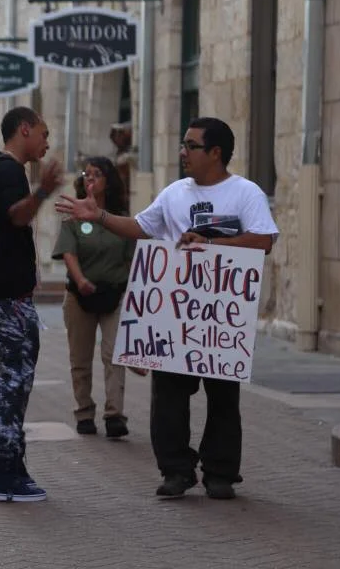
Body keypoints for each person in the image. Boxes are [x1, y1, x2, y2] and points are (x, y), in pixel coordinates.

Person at [55, 117, 278, 500]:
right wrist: (101, 217)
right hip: (175, 315)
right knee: (169, 397)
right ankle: (176, 470)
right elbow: (142, 228)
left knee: (223, 397)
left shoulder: (246, 193)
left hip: (220, 320)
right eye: (183, 144)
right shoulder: (175, 193)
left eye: (191, 146)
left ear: (215, 153)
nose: (182, 153)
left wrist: (211, 247)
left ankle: (220, 473)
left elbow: (263, 240)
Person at [0, 106, 62, 502]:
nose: (46, 142)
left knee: (18, 381)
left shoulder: (3, 170)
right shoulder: (8, 171)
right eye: (43, 133)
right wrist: (43, 190)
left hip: (9, 294)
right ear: (24, 129)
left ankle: (13, 465)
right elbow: (16, 216)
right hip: (7, 297)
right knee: (14, 382)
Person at [52, 157, 144, 439]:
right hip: (80, 294)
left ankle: (114, 414)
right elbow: (68, 252)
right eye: (86, 174)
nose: (90, 178)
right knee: (80, 357)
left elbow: (133, 258)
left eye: (97, 174)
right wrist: (80, 280)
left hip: (114, 293)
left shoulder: (120, 216)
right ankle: (84, 411)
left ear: (108, 180)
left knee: (114, 354)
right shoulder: (74, 214)